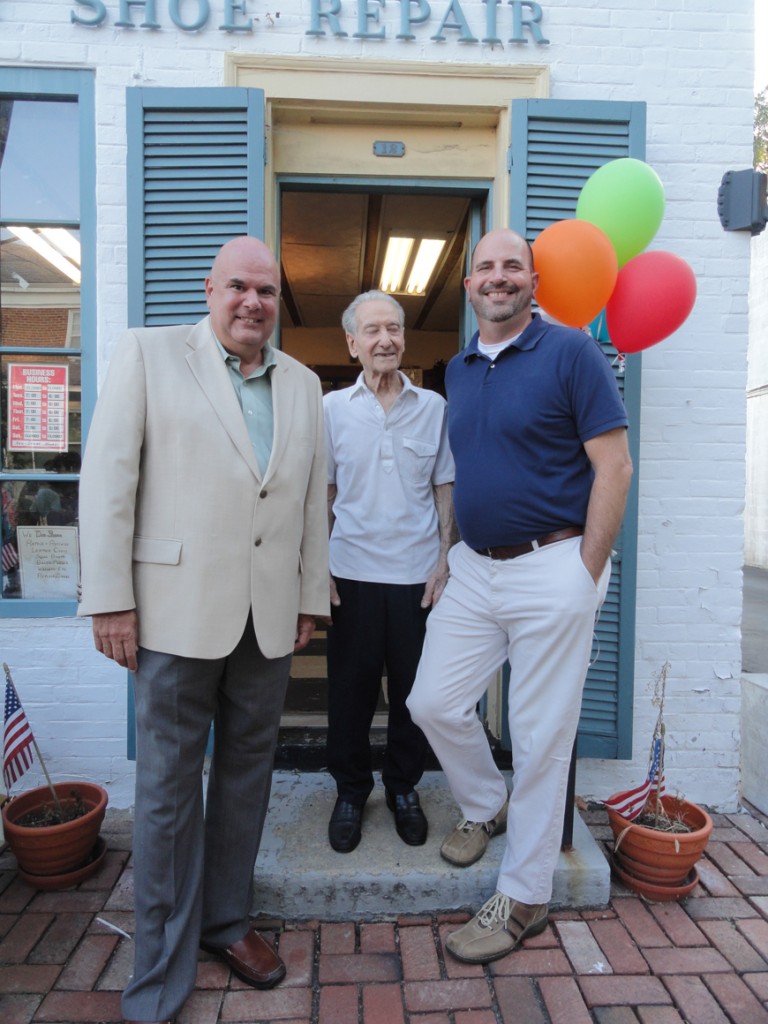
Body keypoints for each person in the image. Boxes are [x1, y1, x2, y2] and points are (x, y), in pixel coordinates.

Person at [77, 236, 329, 1024]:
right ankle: (158, 961)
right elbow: (109, 477)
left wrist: (310, 597)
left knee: (247, 781)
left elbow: (312, 500)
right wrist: (109, 597)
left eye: (266, 291)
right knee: (166, 796)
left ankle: (225, 923)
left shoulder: (304, 384)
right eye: (239, 287)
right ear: (211, 289)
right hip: (171, 618)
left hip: (267, 622)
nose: (253, 302)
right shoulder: (150, 355)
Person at [407, 228, 633, 965]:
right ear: (467, 286)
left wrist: (586, 571)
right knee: (431, 702)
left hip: (553, 565)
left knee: (540, 738)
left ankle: (525, 893)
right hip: (475, 566)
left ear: (533, 280)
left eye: (512, 266)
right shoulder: (461, 369)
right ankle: (484, 804)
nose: (498, 278)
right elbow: (466, 472)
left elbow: (615, 467)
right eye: (485, 268)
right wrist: (447, 554)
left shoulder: (572, 352)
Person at [323, 290, 455, 853]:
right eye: (372, 330)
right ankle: (351, 792)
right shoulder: (331, 410)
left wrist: (446, 558)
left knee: (412, 694)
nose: (385, 340)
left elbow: (444, 486)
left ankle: (403, 788)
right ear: (352, 343)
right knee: (349, 693)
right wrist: (317, 567)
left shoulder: (434, 408)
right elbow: (321, 493)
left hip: (416, 578)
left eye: (394, 329)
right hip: (349, 572)